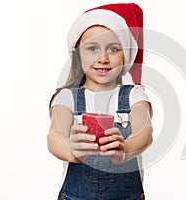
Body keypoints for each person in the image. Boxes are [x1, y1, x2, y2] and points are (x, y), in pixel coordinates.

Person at [47, 3, 153, 200]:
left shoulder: (134, 95)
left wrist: (126, 150)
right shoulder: (67, 97)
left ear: (126, 55)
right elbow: (54, 136)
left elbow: (145, 132)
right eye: (93, 48)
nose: (103, 58)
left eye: (113, 49)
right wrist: (71, 150)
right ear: (78, 53)